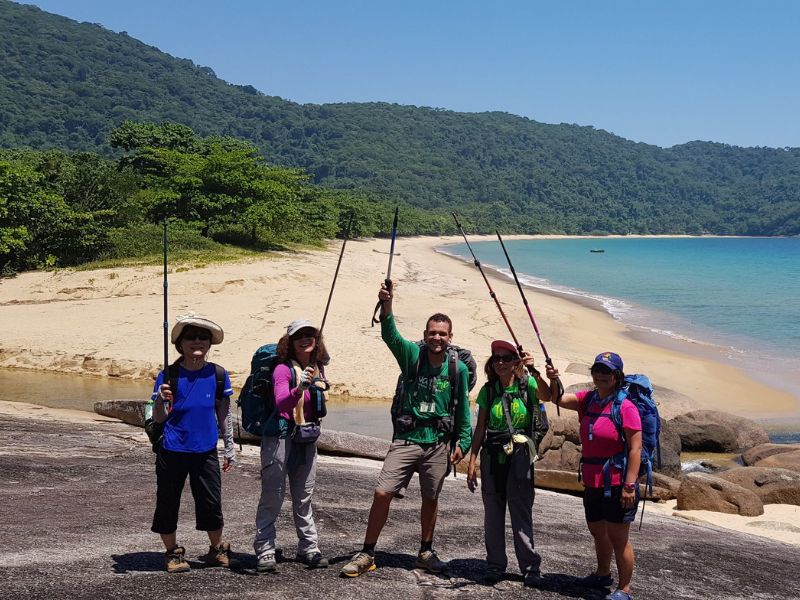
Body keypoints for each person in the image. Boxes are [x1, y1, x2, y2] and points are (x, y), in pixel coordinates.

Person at [340, 283, 472, 577]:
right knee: (382, 492)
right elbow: (390, 335)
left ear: (451, 338)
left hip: (438, 443)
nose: (437, 338)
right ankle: (368, 551)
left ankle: (425, 551)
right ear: (425, 336)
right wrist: (387, 305)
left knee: (431, 498)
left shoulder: (457, 369)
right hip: (407, 438)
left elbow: (462, 406)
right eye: (432, 333)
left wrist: (463, 440)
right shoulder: (412, 355)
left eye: (443, 333)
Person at [549, 352, 642, 600]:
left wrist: (630, 485)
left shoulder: (626, 407)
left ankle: (624, 589)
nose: (601, 374)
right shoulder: (588, 399)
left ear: (617, 376)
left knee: (618, 536)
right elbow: (555, 398)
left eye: (607, 371)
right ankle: (602, 574)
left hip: (618, 482)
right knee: (597, 530)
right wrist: (550, 377)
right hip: (593, 480)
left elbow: (636, 448)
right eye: (597, 369)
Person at [150, 313, 236, 573]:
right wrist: (160, 400)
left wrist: (229, 448)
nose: (197, 342)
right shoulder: (168, 376)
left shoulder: (218, 374)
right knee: (168, 502)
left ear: (209, 344)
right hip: (173, 449)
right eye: (191, 337)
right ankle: (172, 553)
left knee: (211, 502)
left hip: (206, 450)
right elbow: (158, 418)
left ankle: (217, 549)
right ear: (180, 344)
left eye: (202, 338)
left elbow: (224, 414)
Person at [466, 340, 553, 587]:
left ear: (516, 361)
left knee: (521, 512)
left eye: (506, 358)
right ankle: (495, 564)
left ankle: (530, 567)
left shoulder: (529, 385)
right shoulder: (488, 390)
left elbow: (548, 396)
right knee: (493, 514)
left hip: (520, 458)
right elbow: (481, 427)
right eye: (496, 359)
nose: (500, 362)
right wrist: (472, 460)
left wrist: (534, 370)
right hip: (492, 458)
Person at [253, 319, 330, 573]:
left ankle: (308, 548)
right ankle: (265, 549)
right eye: (299, 335)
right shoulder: (282, 370)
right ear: (290, 341)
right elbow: (282, 403)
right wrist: (299, 389)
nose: (305, 338)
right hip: (280, 436)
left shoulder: (318, 368)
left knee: (304, 496)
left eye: (310, 334)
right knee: (272, 495)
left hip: (306, 437)